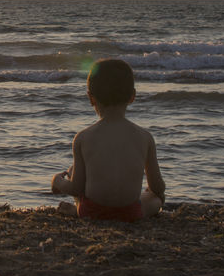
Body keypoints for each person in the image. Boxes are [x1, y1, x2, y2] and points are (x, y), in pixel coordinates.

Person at [51, 58, 165, 221]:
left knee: (73, 171)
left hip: (90, 212)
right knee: (153, 198)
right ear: (132, 96)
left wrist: (57, 181)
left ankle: (77, 208)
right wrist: (158, 195)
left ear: (91, 98)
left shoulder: (83, 137)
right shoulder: (145, 137)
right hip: (130, 213)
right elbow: (157, 186)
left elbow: (76, 188)